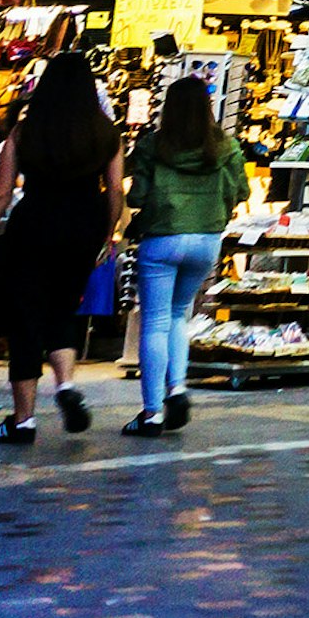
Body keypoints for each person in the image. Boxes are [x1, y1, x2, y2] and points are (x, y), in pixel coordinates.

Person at [0, 54, 127, 444]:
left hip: (35, 225)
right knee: (63, 308)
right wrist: (105, 236)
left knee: (25, 317)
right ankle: (65, 387)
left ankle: (23, 420)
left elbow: (1, 194)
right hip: (84, 227)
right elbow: (115, 193)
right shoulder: (106, 133)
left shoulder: (26, 133)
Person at [121, 75, 250, 437]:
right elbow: (240, 191)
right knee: (181, 315)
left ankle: (151, 413)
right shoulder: (226, 147)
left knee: (156, 322)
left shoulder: (152, 146)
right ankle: (177, 388)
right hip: (207, 239)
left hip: (162, 239)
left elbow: (137, 197)